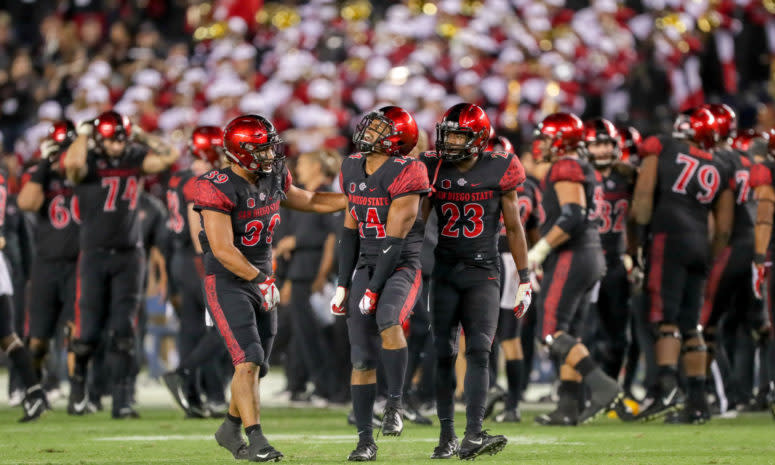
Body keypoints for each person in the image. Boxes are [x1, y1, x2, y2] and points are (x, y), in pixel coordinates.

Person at [194, 114, 346, 462]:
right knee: (247, 360)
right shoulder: (214, 184)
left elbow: (307, 200)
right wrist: (260, 280)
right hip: (229, 281)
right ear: (239, 151)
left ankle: (229, 426)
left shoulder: (273, 174)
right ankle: (256, 439)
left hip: (262, 277)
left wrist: (354, 200)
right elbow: (222, 249)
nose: (269, 155)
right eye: (260, 149)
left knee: (257, 364)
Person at [419, 103, 531, 459]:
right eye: (447, 133)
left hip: (484, 271)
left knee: (480, 350)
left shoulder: (500, 166)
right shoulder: (433, 166)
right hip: (445, 271)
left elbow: (514, 227)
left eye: (458, 135)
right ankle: (446, 435)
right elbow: (417, 225)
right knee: (442, 352)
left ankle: (473, 433)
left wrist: (525, 277)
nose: (449, 141)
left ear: (479, 138)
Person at [62, 110, 180, 418]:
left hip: (130, 254)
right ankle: (78, 390)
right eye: (113, 140)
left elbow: (169, 155)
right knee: (87, 334)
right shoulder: (86, 159)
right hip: (94, 253)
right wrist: (85, 134)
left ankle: (123, 400)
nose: (118, 146)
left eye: (121, 140)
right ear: (100, 139)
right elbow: (71, 165)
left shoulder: (134, 154)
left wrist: (139, 134)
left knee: (124, 333)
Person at [329, 106, 428, 462]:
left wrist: (372, 289)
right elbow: (349, 229)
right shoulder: (352, 165)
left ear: (397, 138)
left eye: (378, 129)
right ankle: (364, 440)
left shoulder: (409, 170)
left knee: (388, 318)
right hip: (367, 266)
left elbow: (396, 240)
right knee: (360, 359)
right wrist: (343, 283)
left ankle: (396, 405)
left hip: (400, 265)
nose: (368, 132)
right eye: (369, 126)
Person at [631, 107, 735, 424]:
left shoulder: (663, 145)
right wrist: (710, 254)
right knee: (692, 326)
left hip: (668, 237)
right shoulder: (721, 164)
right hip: (700, 245)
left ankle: (667, 390)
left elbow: (644, 199)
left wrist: (636, 242)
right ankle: (699, 401)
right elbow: (724, 229)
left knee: (665, 321)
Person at [528, 112, 625, 426]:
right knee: (569, 334)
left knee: (550, 332)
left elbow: (572, 215)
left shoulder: (566, 164)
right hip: (588, 253)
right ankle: (568, 407)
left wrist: (541, 249)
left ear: (560, 140)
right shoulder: (577, 164)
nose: (540, 144)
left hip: (573, 253)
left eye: (545, 138)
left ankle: (602, 385)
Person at [699, 104, 770, 412]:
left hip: (728, 248)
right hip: (755, 249)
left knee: (703, 326)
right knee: (750, 326)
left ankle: (719, 395)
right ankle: (754, 391)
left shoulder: (717, 160)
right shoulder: (748, 160)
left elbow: (717, 215)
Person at [162, 125, 230, 418]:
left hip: (181, 260)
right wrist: (212, 260)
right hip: (198, 258)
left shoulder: (179, 176)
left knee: (191, 329)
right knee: (222, 326)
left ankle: (192, 396)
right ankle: (196, 382)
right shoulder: (199, 180)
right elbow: (196, 225)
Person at [273, 150, 343, 404]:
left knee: (313, 335)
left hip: (312, 273)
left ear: (316, 166)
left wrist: (322, 274)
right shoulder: (303, 196)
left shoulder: (325, 195)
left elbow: (331, 238)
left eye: (302, 163)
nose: (297, 169)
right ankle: (305, 385)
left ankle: (326, 387)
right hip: (300, 271)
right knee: (303, 335)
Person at [17, 121, 79, 397]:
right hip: (47, 263)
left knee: (75, 332)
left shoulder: (85, 172)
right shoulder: (38, 174)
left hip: (79, 262)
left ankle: (79, 394)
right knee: (39, 339)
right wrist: (44, 163)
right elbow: (27, 203)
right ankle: (34, 387)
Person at [583, 118, 637, 384]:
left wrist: (637, 256)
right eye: (598, 144)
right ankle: (581, 390)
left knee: (617, 336)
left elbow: (639, 220)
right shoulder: (577, 175)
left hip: (615, 263)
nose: (603, 150)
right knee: (585, 333)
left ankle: (610, 389)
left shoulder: (628, 177)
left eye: (607, 144)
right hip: (584, 262)